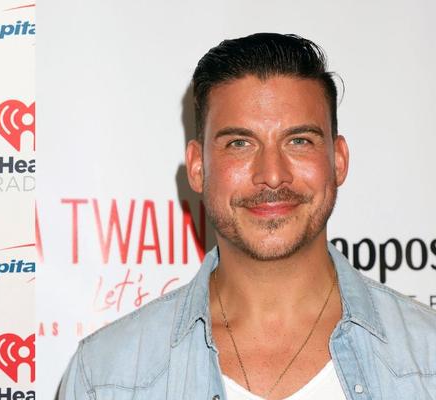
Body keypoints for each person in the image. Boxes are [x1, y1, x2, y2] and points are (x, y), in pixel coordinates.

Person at [58, 33, 436, 399]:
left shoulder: (428, 358)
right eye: (240, 143)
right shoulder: (106, 377)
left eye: (299, 141)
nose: (272, 174)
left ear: (338, 161)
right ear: (197, 167)